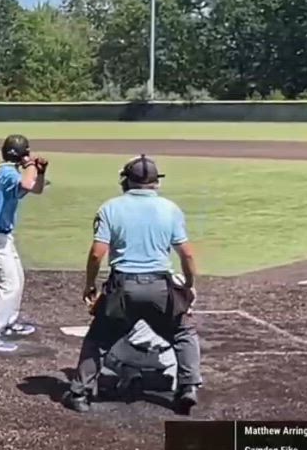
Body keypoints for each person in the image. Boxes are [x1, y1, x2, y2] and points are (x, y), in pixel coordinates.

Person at [62, 155, 202, 414]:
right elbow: (188, 254)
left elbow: (97, 254)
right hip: (160, 286)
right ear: (156, 183)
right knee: (184, 332)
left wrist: (90, 284)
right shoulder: (170, 209)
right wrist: (189, 286)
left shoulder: (110, 208)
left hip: (122, 287)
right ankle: (188, 387)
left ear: (126, 181)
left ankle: (79, 394)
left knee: (99, 338)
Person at [0, 135, 48, 353]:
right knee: (9, 285)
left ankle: (9, 322)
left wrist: (39, 171)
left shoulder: (9, 173)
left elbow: (35, 188)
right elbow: (27, 182)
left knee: (18, 279)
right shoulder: (8, 173)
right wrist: (30, 165)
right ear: (22, 154)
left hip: (2, 236)